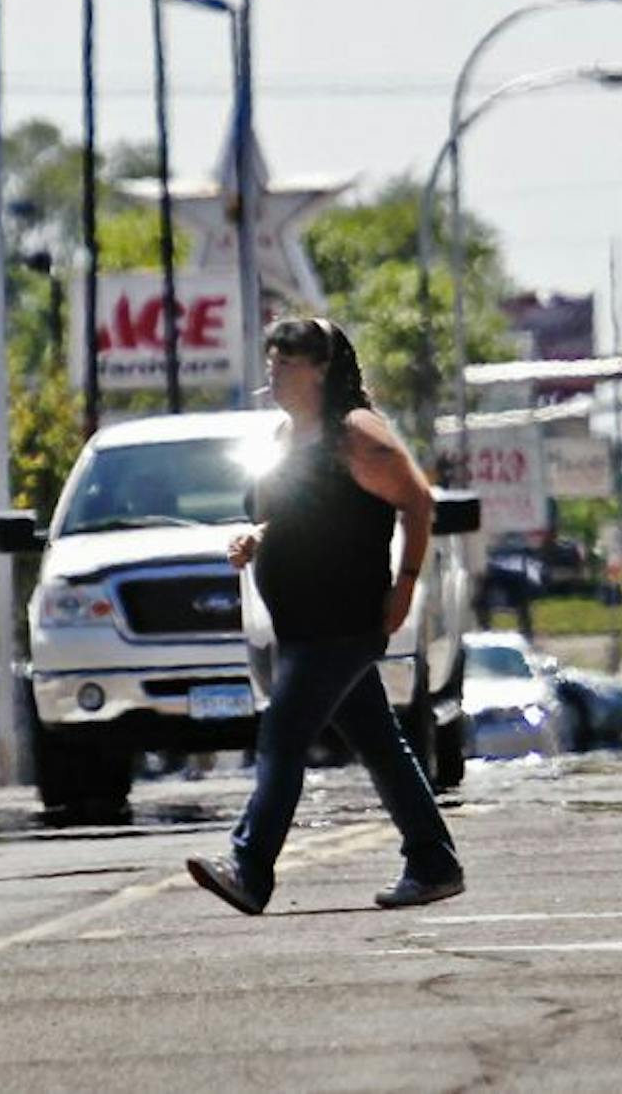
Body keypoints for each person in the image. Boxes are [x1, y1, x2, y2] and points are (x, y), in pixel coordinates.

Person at [186, 317, 464, 915]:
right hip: (302, 622)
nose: (275, 372)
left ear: (322, 369)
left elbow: (417, 501)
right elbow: (301, 513)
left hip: (344, 619)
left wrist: (406, 585)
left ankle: (251, 867)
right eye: (273, 360)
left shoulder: (354, 434)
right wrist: (255, 539)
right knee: (380, 745)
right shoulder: (288, 438)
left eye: (289, 362)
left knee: (283, 735)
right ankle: (434, 861)